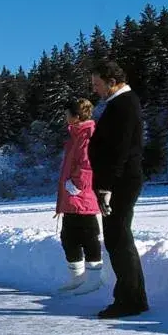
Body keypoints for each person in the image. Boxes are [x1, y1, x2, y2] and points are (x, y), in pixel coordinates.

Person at [88, 60, 149, 319]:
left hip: (121, 182)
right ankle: (132, 296)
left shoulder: (124, 105)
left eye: (98, 84)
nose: (95, 90)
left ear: (112, 82)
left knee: (118, 238)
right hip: (119, 181)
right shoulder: (119, 104)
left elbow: (119, 150)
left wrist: (106, 186)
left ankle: (131, 299)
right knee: (118, 238)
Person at [54, 99, 103, 295]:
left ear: (76, 116)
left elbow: (87, 163)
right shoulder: (75, 135)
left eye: (67, 114)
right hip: (72, 197)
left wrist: (78, 185)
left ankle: (94, 278)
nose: (65, 117)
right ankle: (77, 277)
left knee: (89, 236)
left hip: (83, 196)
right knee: (68, 237)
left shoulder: (87, 134)